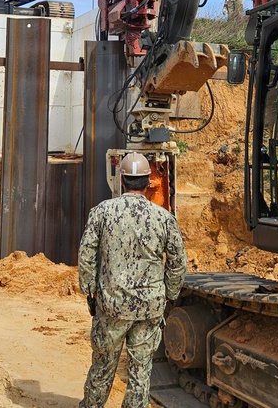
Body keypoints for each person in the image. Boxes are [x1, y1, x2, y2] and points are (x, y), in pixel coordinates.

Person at [78, 152, 187, 408]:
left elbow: (86, 254)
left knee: (103, 367)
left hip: (111, 307)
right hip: (149, 308)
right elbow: (178, 262)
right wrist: (169, 295)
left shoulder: (102, 212)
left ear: (121, 180)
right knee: (140, 372)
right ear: (148, 181)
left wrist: (90, 292)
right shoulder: (163, 218)